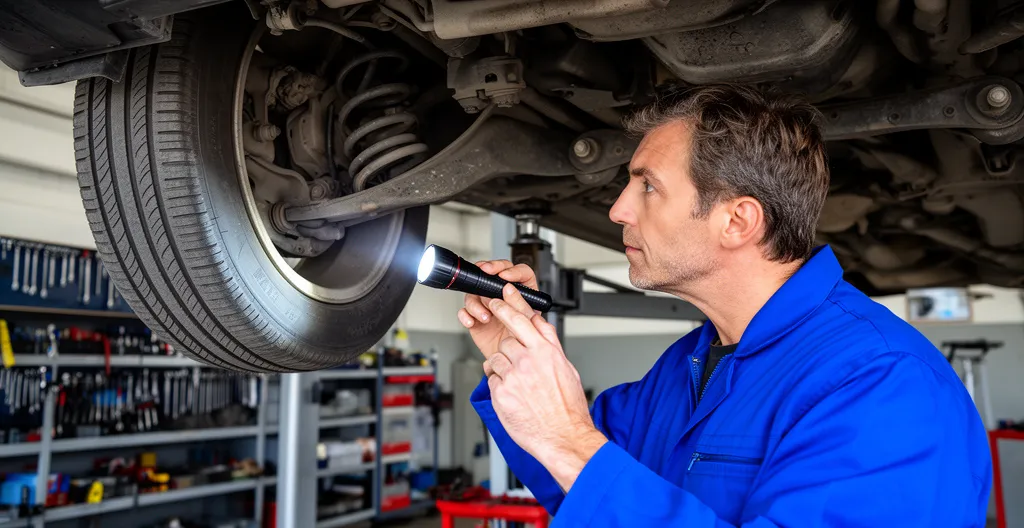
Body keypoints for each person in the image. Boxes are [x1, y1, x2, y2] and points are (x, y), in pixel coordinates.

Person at [456, 85, 992, 527]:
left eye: (648, 187)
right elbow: (579, 480)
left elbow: (578, 453)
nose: (618, 209)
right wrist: (513, 354)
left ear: (737, 221)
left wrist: (569, 441)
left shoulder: (883, 383)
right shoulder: (689, 363)